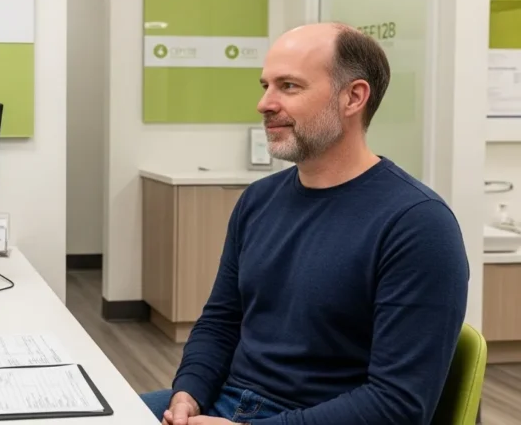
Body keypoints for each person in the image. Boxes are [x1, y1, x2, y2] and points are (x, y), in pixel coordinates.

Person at [140, 22, 469, 425]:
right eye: (265, 86)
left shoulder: (417, 225)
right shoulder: (258, 201)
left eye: (289, 86)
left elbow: (397, 405)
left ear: (353, 97)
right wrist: (188, 393)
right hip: (226, 401)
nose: (265, 103)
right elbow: (221, 321)